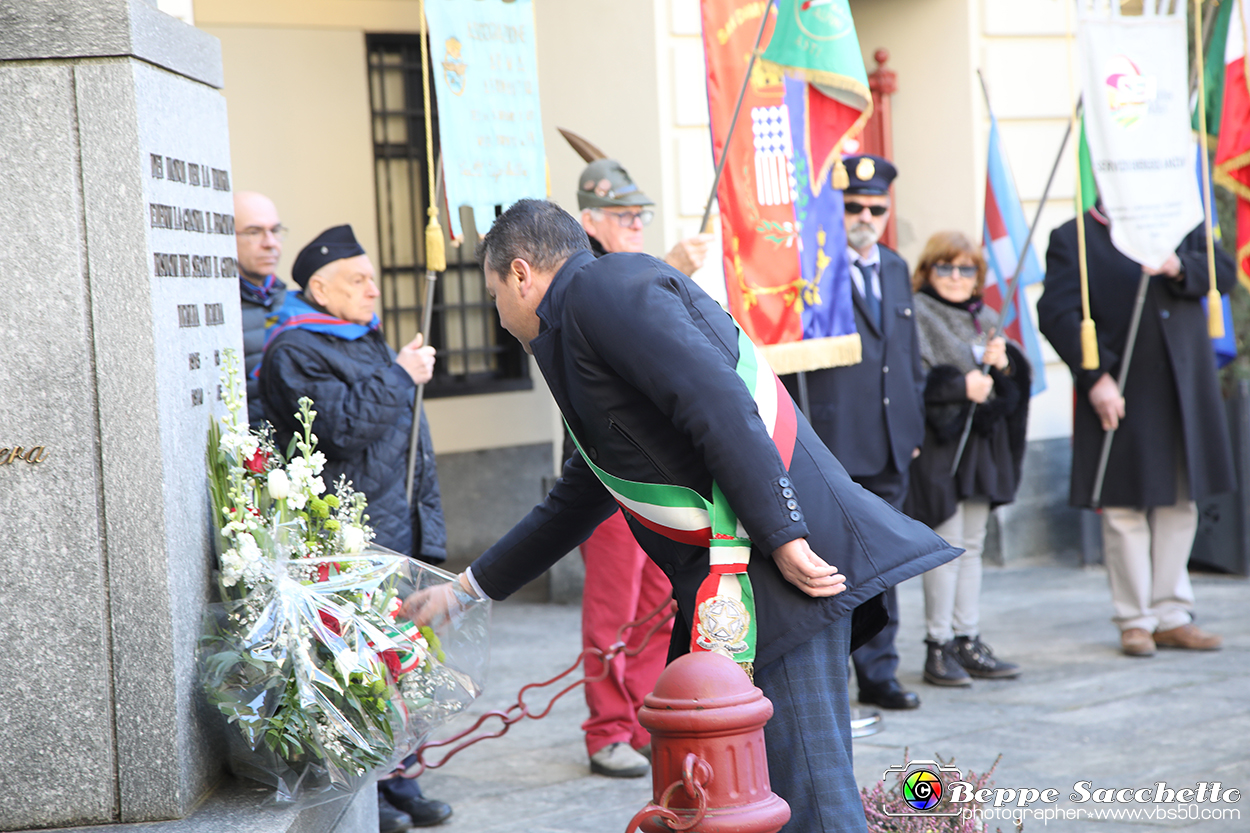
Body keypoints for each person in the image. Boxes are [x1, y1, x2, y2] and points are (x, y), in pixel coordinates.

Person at [404, 199, 958, 833]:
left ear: (522, 273)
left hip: (781, 574)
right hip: (739, 578)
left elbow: (716, 400)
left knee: (810, 804)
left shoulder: (603, 289)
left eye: (493, 289)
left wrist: (784, 535)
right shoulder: (577, 322)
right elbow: (579, 496)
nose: (497, 311)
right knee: (730, 793)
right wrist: (468, 590)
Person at [258, 225, 452, 830]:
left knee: (404, 659)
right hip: (352, 532)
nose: (373, 290)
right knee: (358, 665)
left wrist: (432, 529)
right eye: (357, 279)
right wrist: (399, 374)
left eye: (372, 278)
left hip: (402, 521)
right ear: (319, 287)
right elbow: (340, 429)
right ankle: (369, 787)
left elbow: (413, 444)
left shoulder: (363, 337)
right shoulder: (295, 349)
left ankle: (404, 778)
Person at [571, 157, 715, 777]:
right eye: (624, 216)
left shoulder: (633, 272)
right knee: (613, 608)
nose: (636, 225)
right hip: (605, 471)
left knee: (661, 602)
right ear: (591, 221)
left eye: (640, 216)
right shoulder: (585, 279)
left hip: (658, 470)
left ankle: (642, 717)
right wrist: (670, 272)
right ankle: (607, 726)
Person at [1037, 204, 1233, 657]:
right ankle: (1135, 619)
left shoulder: (1180, 218)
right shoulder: (1075, 236)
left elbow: (1223, 268)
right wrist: (1095, 377)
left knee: (1180, 503)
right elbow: (1058, 313)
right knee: (1124, 509)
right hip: (1121, 386)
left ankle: (1171, 614)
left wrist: (1179, 266)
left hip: (1183, 385)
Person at [782, 154, 925, 711]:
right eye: (854, 206)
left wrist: (910, 426)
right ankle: (831, 675)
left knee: (885, 562)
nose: (866, 216)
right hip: (834, 445)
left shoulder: (893, 266)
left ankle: (880, 672)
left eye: (876, 207)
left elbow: (904, 355)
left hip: (890, 442)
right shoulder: (811, 268)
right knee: (832, 564)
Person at [904, 232, 1030, 686]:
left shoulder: (987, 317)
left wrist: (1003, 365)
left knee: (973, 545)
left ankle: (966, 638)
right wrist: (960, 387)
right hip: (938, 443)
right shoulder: (915, 312)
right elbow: (909, 378)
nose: (956, 278)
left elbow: (1008, 389)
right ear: (929, 271)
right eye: (945, 268)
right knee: (947, 545)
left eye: (966, 269)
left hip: (980, 443)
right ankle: (937, 647)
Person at [234, 191, 288, 429]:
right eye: (254, 232)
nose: (270, 243)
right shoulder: (220, 310)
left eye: (275, 231)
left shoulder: (296, 305)